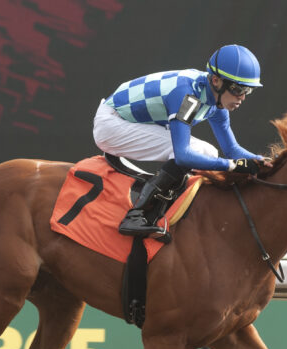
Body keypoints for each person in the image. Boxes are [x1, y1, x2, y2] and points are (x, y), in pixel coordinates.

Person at [93, 44, 270, 238]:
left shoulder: (215, 100)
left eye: (248, 91)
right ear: (216, 80)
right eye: (238, 89)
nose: (242, 97)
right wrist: (232, 166)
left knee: (208, 152)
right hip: (111, 124)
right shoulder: (188, 96)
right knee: (198, 151)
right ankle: (136, 215)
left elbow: (232, 149)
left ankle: (169, 208)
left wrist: (262, 161)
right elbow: (183, 155)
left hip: (124, 121)